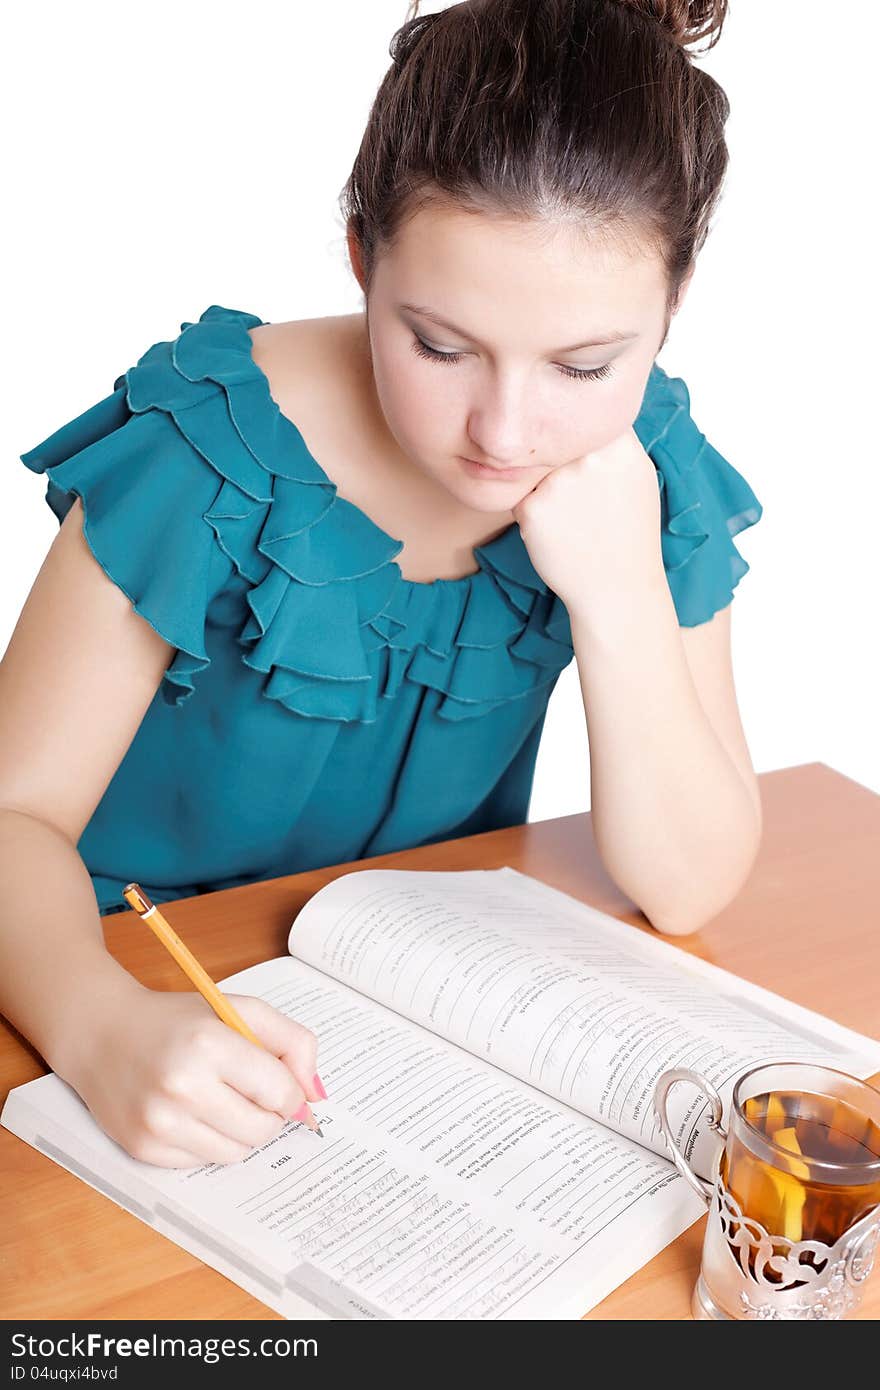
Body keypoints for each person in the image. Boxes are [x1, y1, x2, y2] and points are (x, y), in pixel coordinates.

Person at [0, 0, 763, 1168]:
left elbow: (690, 885)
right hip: (120, 985)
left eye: (584, 363)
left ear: (677, 297)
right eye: (437, 344)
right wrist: (97, 1024)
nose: (504, 432)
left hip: (407, 1016)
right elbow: (11, 816)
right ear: (361, 257)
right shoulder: (206, 446)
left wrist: (620, 598)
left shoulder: (647, 471)